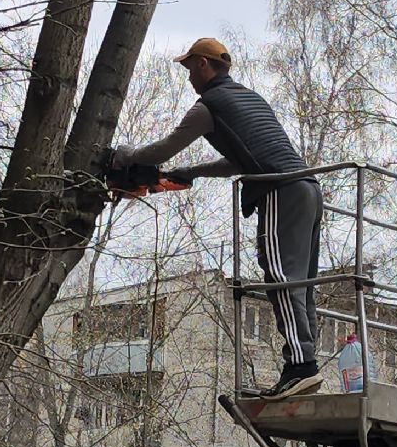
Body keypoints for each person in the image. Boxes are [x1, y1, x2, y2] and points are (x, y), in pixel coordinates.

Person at [112, 37, 324, 398]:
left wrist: (125, 155)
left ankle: (300, 366)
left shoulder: (208, 106)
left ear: (203, 64)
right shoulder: (249, 99)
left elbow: (162, 150)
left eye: (189, 68)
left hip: (279, 190)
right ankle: (305, 365)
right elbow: (237, 162)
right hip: (308, 189)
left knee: (279, 277)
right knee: (300, 282)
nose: (188, 78)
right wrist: (192, 172)